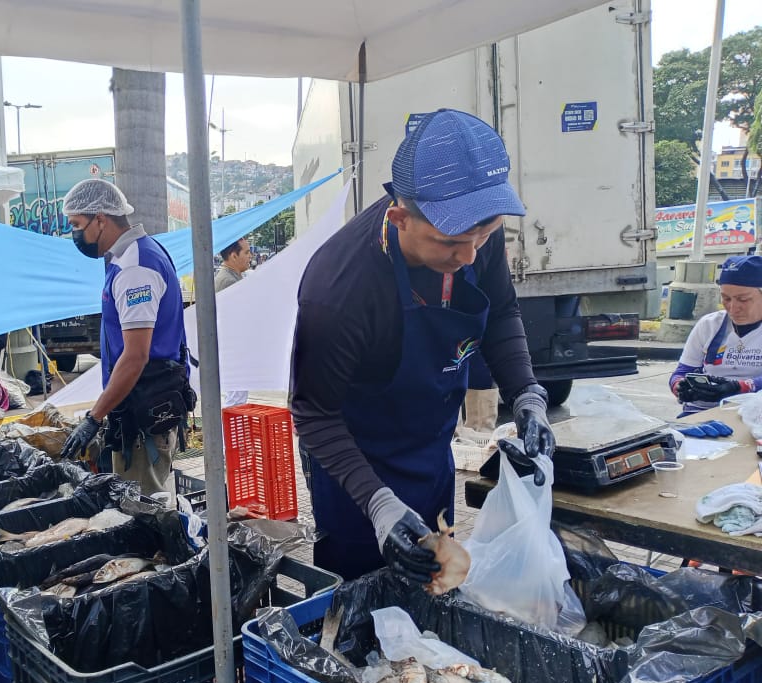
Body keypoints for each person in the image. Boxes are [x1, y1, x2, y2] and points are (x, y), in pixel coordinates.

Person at [290, 108, 555, 582]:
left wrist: (526, 396)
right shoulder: (339, 286)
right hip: (356, 470)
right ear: (400, 218)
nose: (470, 254)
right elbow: (314, 414)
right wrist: (379, 505)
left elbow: (501, 315)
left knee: (432, 590)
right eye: (450, 242)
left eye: (485, 234)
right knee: (363, 604)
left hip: (430, 452)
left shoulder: (473, 229)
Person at [59, 179, 192, 500]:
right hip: (142, 407)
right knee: (145, 504)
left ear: (101, 219)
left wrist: (94, 417)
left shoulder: (136, 268)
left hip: (144, 413)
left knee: (146, 512)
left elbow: (135, 357)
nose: (76, 234)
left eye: (78, 225)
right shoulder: (138, 254)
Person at [670, 255, 762, 415]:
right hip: (701, 412)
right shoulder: (709, 325)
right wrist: (680, 387)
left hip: (754, 413)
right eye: (726, 298)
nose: (733, 308)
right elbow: (682, 371)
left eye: (743, 299)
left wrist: (739, 387)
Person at [214, 237, 252, 407]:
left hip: (235, 347)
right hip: (233, 348)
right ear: (233, 256)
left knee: (237, 398)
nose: (250, 256)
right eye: (246, 252)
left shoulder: (233, 278)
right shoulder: (228, 281)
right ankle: (226, 434)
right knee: (235, 400)